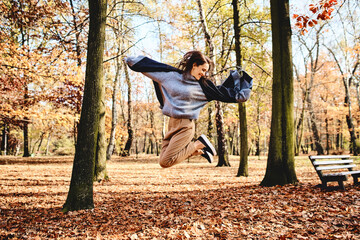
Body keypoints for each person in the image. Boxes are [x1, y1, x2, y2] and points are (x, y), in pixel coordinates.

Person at [125, 51, 253, 168]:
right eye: (202, 69)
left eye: (206, 71)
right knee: (163, 157)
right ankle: (198, 151)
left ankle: (198, 143)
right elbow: (152, 68)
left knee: (165, 162)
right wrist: (131, 60)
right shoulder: (171, 76)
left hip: (186, 126)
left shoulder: (203, 87)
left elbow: (225, 93)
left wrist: (240, 79)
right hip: (172, 124)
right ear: (194, 65)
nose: (204, 73)